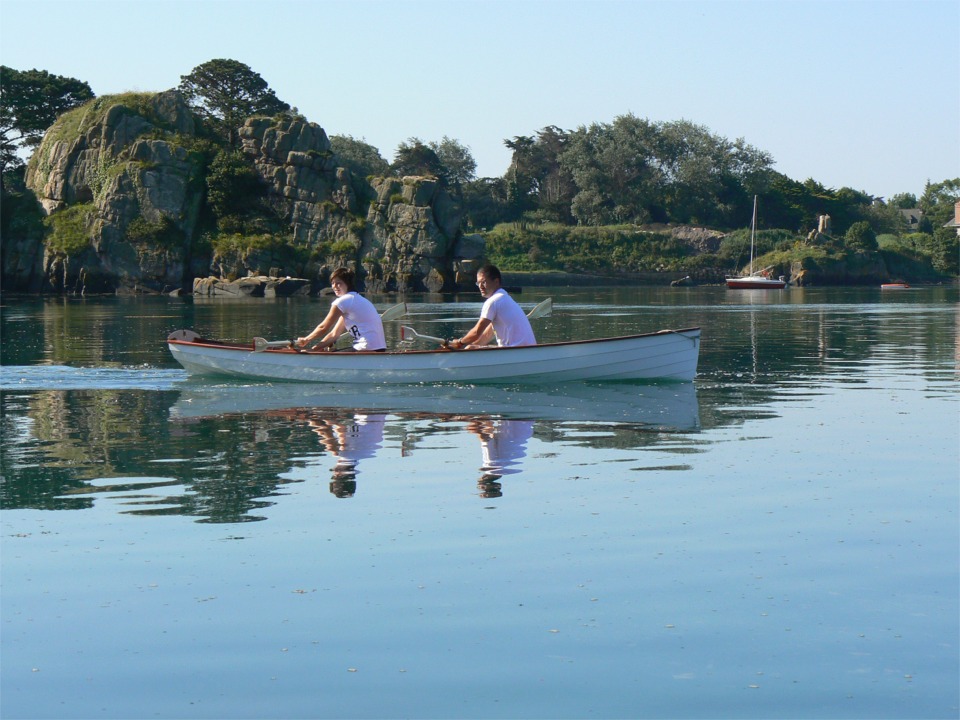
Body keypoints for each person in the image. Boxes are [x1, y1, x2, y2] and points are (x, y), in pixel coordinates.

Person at [445, 264, 535, 350]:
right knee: (471, 347)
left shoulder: (493, 301)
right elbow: (487, 335)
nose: (480, 286)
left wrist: (460, 342)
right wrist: (471, 346)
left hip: (515, 351)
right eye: (478, 283)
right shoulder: (504, 298)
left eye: (483, 282)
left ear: (496, 282)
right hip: (526, 350)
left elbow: (476, 332)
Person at [295, 268, 386, 351]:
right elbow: (334, 334)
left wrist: (306, 339)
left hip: (365, 348)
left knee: (331, 353)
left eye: (339, 283)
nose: (335, 286)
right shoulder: (357, 300)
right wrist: (314, 349)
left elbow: (323, 327)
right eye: (333, 283)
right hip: (379, 350)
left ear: (348, 284)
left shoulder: (343, 301)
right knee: (329, 351)